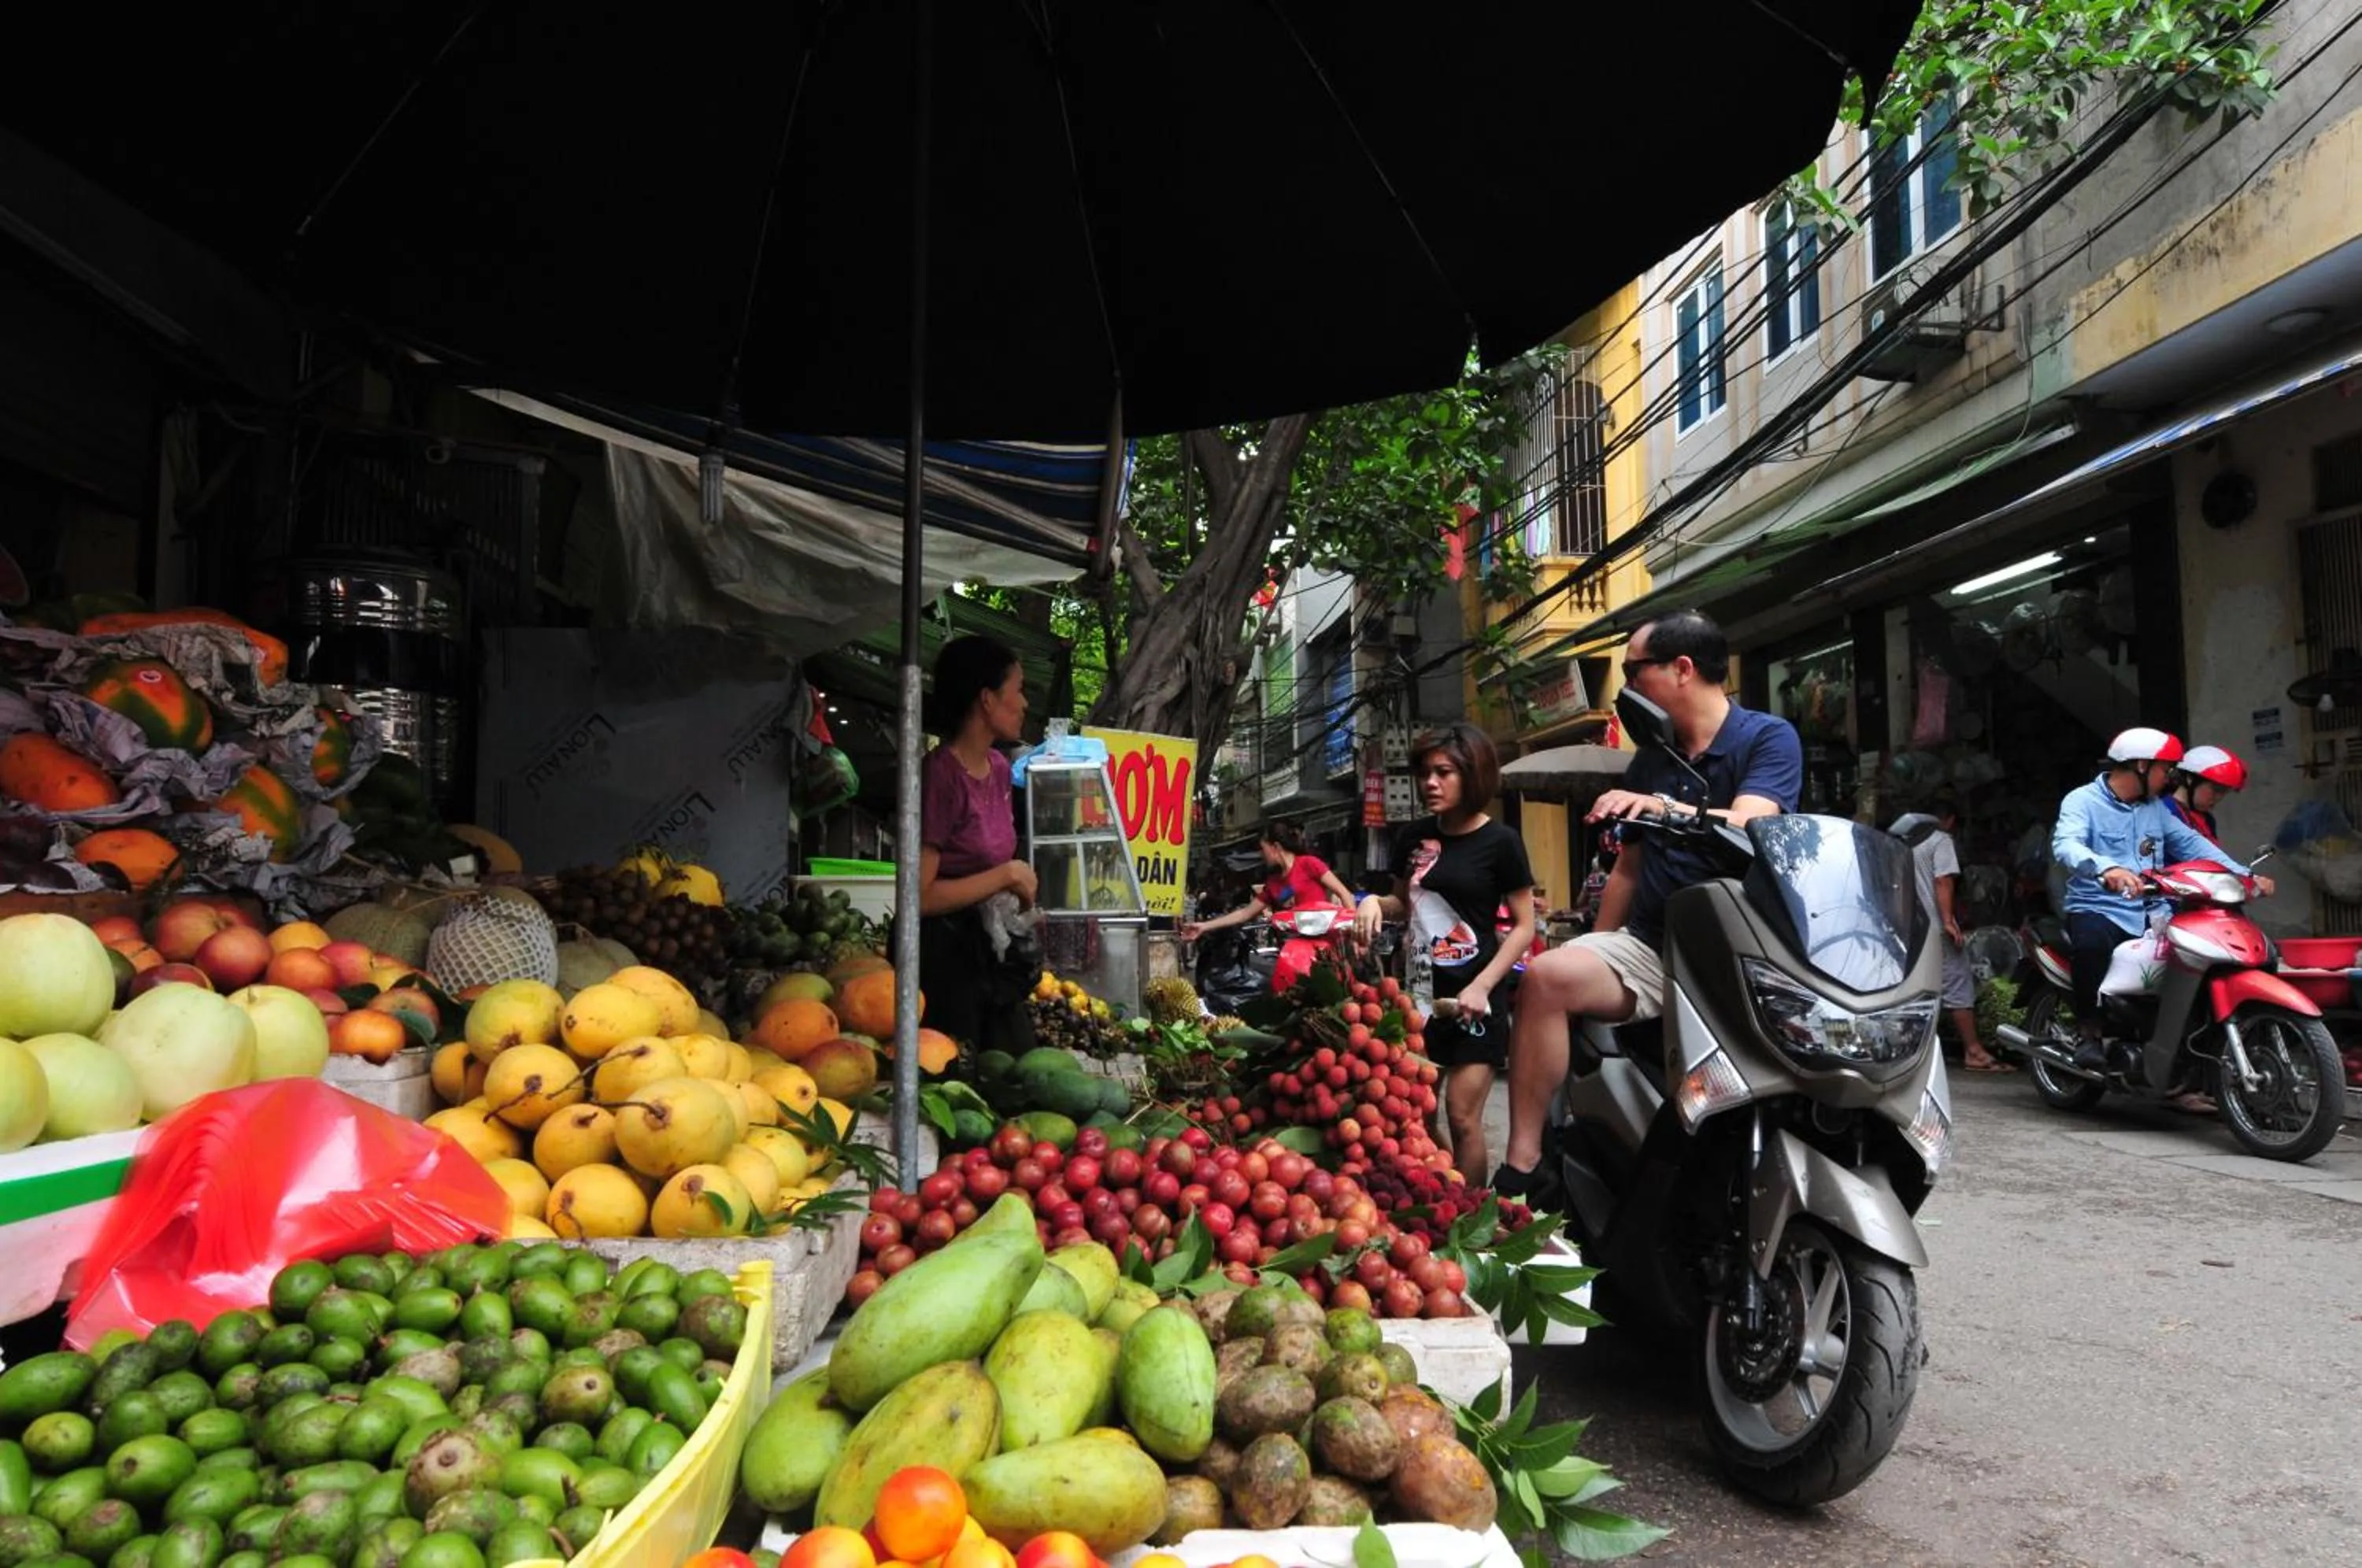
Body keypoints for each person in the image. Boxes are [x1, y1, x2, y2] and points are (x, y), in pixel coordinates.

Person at [1494, 609, 1802, 1196]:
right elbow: (1629, 870)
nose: (1627, 686)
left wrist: (1664, 808)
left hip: (1738, 954)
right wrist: (1596, 947)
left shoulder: (1767, 737)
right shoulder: (1654, 758)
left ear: (1682, 669)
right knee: (1548, 977)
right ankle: (1526, 1166)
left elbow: (1752, 825)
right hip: (1653, 948)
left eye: (1634, 670)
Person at [1348, 723, 1534, 1186]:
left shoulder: (1501, 842)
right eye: (1425, 773)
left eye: (1444, 772)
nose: (1430, 783)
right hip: (1418, 1002)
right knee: (1422, 1118)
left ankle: (1471, 1219)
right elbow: (1400, 905)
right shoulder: (1412, 837)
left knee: (1463, 1116)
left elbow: (1525, 926)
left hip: (1478, 1001)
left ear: (1473, 775)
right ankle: (1445, 1201)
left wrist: (1483, 984)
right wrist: (1371, 902)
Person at [2051, 728, 2274, 1101]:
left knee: (2197, 958)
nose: (2170, 778)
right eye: (2165, 769)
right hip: (2100, 906)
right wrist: (2106, 869)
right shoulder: (2083, 801)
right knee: (2091, 944)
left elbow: (2193, 844)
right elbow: (2067, 843)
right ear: (2141, 766)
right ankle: (2089, 1032)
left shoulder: (2154, 808)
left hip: (2153, 910)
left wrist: (2245, 876)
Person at [916, 635, 1039, 1052]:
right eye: (1018, 689)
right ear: (987, 699)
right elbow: (919, 896)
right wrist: (1006, 875)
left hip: (991, 954)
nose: (1024, 703)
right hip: (945, 964)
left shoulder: (1002, 769)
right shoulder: (940, 776)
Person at [1890, 793, 2007, 1073]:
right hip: (1932, 926)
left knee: (1909, 986)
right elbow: (1943, 880)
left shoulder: (1901, 843)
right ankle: (1974, 1051)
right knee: (1958, 982)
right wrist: (1948, 920)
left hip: (1904, 926)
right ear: (1949, 820)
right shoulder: (1941, 840)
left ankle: (1900, 1049)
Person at [1180, 822, 1358, 941]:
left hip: (1325, 945)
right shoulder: (1273, 883)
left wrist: (1356, 936)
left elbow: (1345, 894)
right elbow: (1244, 914)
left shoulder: (1309, 864)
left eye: (1263, 849)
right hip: (1292, 951)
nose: (1262, 855)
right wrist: (1204, 926)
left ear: (1276, 848)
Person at [2163, 745, 2249, 851]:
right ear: (2190, 779)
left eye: (2224, 792)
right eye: (2216, 789)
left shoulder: (2208, 820)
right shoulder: (2164, 814)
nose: (2219, 797)